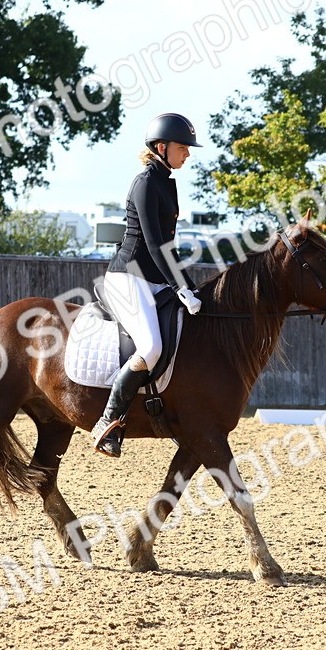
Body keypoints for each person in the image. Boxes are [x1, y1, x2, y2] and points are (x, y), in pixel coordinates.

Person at [90, 113, 204, 458]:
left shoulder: (167, 181)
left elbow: (170, 248)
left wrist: (188, 285)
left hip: (153, 279)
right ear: (161, 147)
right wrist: (180, 287)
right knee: (151, 347)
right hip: (128, 277)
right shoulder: (145, 183)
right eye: (183, 147)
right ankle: (109, 421)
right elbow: (155, 245)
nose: (188, 154)